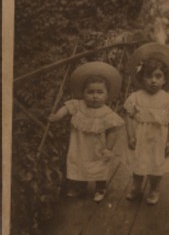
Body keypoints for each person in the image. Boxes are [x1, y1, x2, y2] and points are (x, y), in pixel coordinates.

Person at [49, 61, 124, 203]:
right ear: (83, 93)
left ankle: (100, 188)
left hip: (97, 148)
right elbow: (66, 107)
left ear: (107, 95)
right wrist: (58, 116)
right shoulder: (79, 105)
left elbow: (113, 130)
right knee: (79, 164)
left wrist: (108, 148)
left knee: (99, 166)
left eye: (100, 92)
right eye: (90, 92)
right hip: (79, 145)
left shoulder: (107, 113)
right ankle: (80, 187)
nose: (95, 96)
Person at [124, 43, 169, 205]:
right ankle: (136, 186)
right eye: (149, 77)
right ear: (141, 79)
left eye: (158, 76)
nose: (153, 81)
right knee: (139, 164)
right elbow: (128, 115)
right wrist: (130, 135)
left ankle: (154, 189)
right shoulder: (136, 97)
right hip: (141, 136)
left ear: (164, 80)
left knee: (156, 165)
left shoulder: (167, 100)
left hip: (159, 138)